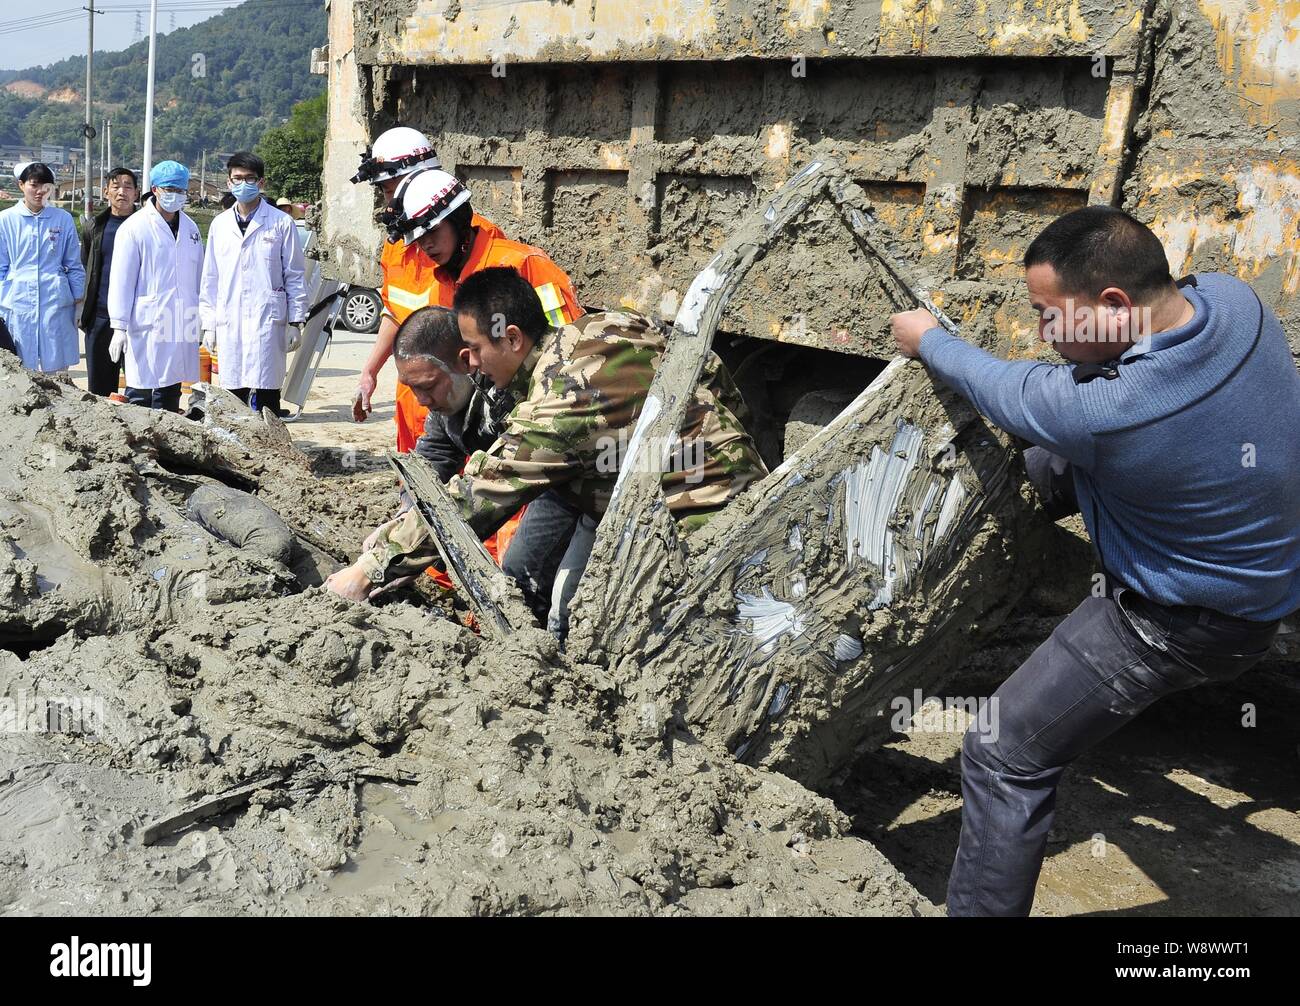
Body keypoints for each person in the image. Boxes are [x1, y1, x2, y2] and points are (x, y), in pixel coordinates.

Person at [889, 205, 1300, 917]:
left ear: (1114, 303)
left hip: (1182, 623)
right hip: (1255, 571)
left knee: (1001, 751)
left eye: (1051, 317)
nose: (1043, 334)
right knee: (1044, 463)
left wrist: (928, 340)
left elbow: (1003, 387)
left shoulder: (1113, 410)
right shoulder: (1236, 301)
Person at [326, 267, 768, 637]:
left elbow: (475, 498)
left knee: (597, 628)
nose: (472, 363)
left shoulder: (559, 405)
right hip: (665, 492)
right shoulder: (607, 324)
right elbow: (708, 370)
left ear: (512, 337)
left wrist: (368, 570)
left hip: (699, 524)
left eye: (476, 350)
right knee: (544, 586)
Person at [199, 151, 306, 415]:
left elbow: (294, 273)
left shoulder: (281, 222)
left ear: (261, 183)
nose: (243, 184)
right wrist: (209, 324)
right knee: (233, 394)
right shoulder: (220, 225)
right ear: (228, 182)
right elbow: (210, 278)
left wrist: (295, 322)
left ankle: (273, 450)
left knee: (268, 391)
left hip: (267, 320)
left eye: (249, 179)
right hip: (230, 318)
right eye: (237, 178)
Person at [105, 160, 204, 412]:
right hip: (146, 321)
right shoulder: (134, 227)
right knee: (142, 391)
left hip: (182, 318)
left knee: (172, 387)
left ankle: (169, 444)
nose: (175, 195)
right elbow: (121, 280)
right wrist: (119, 326)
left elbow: (199, 276)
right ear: (155, 189)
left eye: (180, 191)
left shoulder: (191, 229)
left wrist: (203, 318)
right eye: (169, 189)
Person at [0, 162, 86, 372]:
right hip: (18, 299)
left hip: (55, 298)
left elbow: (73, 264)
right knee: (20, 366)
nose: (40, 191)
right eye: (34, 185)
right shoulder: (6, 220)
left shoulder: (62, 219)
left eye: (46, 186)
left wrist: (79, 303)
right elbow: (1, 266)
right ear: (21, 185)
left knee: (57, 369)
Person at [79, 166, 139, 396]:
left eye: (128, 186)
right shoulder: (94, 227)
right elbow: (87, 266)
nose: (122, 192)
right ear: (106, 192)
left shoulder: (147, 225)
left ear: (136, 192)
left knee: (139, 387)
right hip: (101, 317)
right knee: (100, 391)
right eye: (116, 186)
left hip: (138, 318)